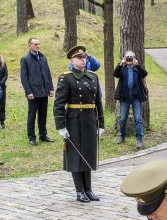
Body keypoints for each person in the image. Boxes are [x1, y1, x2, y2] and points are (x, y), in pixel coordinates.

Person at [54, 45, 105, 202]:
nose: (83, 60)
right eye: (79, 58)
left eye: (84, 58)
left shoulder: (93, 77)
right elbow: (58, 104)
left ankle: (88, 189)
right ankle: (79, 191)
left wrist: (101, 123)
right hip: (74, 121)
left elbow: (98, 103)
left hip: (89, 120)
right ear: (72, 60)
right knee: (76, 156)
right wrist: (61, 126)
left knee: (88, 154)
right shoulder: (66, 78)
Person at [20, 37, 54, 146]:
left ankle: (43, 135)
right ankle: (32, 137)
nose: (38, 46)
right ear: (29, 45)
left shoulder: (43, 58)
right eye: (35, 44)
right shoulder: (25, 59)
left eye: (38, 44)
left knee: (43, 115)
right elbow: (24, 77)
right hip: (33, 93)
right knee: (32, 115)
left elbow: (48, 73)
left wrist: (51, 88)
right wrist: (28, 92)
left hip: (44, 92)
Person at [113, 50, 148, 149]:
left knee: (138, 118)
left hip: (136, 98)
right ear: (124, 58)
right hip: (124, 98)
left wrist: (138, 66)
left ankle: (139, 140)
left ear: (134, 58)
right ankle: (121, 136)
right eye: (127, 57)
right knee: (123, 118)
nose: (129, 59)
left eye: (131, 57)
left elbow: (144, 74)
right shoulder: (122, 68)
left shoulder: (137, 68)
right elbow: (115, 74)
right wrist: (120, 64)